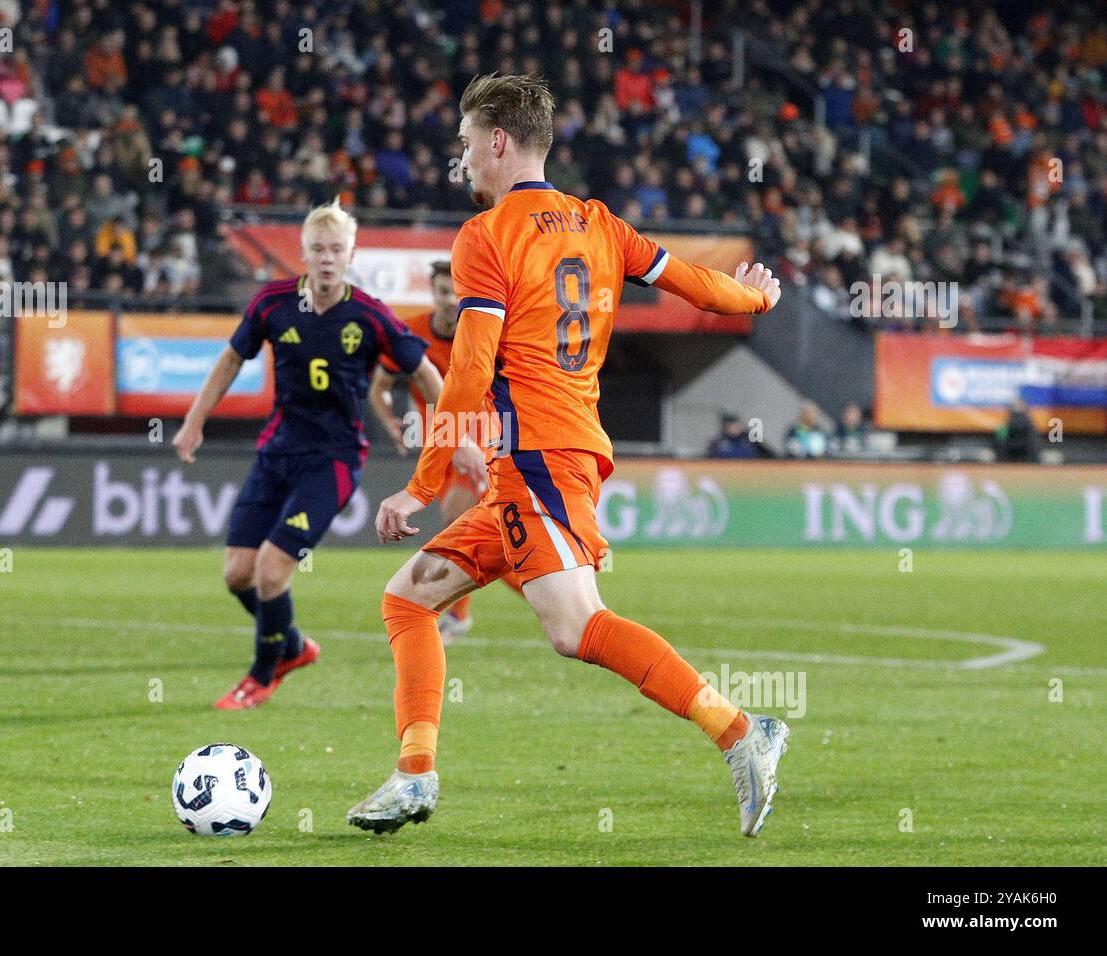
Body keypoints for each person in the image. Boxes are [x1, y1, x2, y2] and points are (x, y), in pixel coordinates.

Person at [347, 74, 789, 838]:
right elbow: (698, 288)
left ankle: (741, 732)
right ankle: (414, 776)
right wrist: (755, 297)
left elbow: (469, 372)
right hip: (548, 457)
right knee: (409, 599)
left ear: (496, 142)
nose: (462, 162)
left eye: (463, 145)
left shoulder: (486, 237)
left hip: (542, 458)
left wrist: (421, 487)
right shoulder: (599, 224)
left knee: (575, 627)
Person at [171, 199, 452, 710]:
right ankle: (294, 647)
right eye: (318, 249)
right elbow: (233, 356)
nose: (327, 258)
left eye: (336, 249)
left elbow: (426, 372)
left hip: (334, 460)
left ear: (351, 254)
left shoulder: (368, 314)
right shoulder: (272, 303)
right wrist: (194, 422)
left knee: (272, 571)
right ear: (303, 253)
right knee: (238, 573)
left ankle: (261, 675)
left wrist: (464, 430)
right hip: (277, 451)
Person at [367, 259, 502, 643]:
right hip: (435, 441)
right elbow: (378, 387)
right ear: (433, 293)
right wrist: (391, 422)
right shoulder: (413, 333)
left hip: (477, 435)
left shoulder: (484, 331)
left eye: (458, 292)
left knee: (457, 512)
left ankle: (455, 615)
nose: (451, 300)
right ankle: (538, 580)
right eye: (444, 292)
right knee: (483, 530)